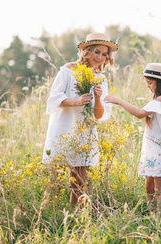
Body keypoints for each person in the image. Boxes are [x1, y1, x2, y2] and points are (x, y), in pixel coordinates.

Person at [42, 32, 117, 205]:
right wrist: (76, 101)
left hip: (85, 130)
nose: (100, 57)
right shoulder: (68, 70)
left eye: (104, 54)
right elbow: (54, 98)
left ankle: (74, 216)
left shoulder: (100, 79)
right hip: (64, 126)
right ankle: (50, 214)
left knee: (78, 179)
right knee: (56, 177)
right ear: (87, 51)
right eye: (97, 52)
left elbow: (99, 115)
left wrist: (97, 98)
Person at [104, 63, 161, 211]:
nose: (148, 86)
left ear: (160, 84)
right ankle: (152, 214)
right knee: (149, 185)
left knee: (159, 188)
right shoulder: (159, 101)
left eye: (150, 83)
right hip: (152, 150)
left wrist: (119, 101)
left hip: (160, 151)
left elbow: (140, 114)